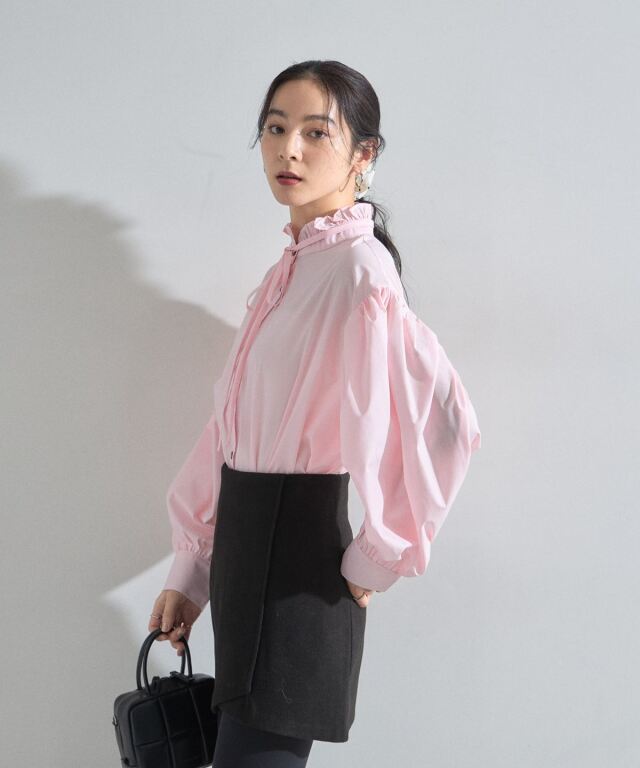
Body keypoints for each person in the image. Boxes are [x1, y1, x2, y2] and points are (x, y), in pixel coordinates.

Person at [148, 59, 482, 767]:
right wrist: (192, 569)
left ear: (364, 154)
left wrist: (378, 555)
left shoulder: (360, 269)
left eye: (315, 132)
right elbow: (230, 428)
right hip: (245, 553)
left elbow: (446, 422)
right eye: (275, 129)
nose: (288, 149)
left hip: (301, 561)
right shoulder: (291, 271)